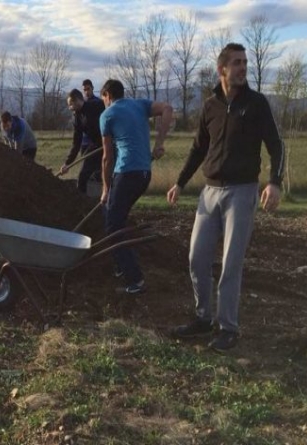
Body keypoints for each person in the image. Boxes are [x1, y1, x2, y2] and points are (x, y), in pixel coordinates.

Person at [167, 42, 284, 352]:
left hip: (242, 192)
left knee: (231, 263)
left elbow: (276, 145)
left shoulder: (256, 103)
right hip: (209, 192)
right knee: (197, 258)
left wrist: (274, 182)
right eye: (237, 62)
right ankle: (203, 318)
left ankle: (228, 327)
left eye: (245, 62)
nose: (243, 67)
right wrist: (180, 182)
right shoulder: (210, 106)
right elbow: (197, 149)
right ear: (223, 69)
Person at [99, 79, 173, 294]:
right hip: (144, 174)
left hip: (126, 173)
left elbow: (106, 158)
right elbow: (168, 108)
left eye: (103, 98)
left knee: (113, 225)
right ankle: (121, 266)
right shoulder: (139, 104)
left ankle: (134, 279)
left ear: (107, 96)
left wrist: (105, 189)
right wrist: (159, 144)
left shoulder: (107, 115)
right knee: (115, 219)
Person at [58, 87, 105, 197]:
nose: (69, 108)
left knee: (108, 174)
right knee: (83, 175)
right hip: (96, 145)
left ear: (77, 100)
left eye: (70, 104)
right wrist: (67, 163)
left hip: (112, 143)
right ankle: (81, 202)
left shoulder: (96, 105)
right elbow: (76, 142)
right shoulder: (77, 119)